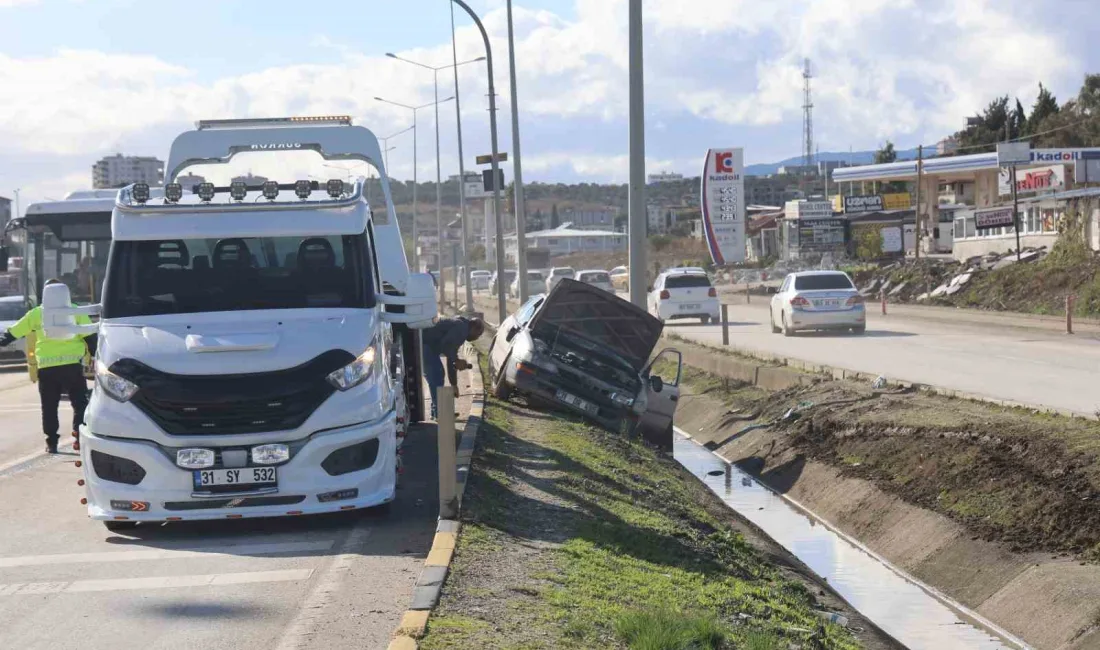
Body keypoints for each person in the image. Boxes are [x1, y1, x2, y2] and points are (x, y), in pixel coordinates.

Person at [0, 279, 96, 453]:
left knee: (49, 406)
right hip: (72, 367)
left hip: (46, 368)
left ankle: (51, 442)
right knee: (80, 403)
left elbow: (11, 334)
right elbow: (90, 336)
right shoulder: (75, 311)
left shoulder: (36, 314)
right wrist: (95, 356)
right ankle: (78, 435)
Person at [421, 316, 484, 419]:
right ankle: (440, 413)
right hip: (426, 345)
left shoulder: (462, 326)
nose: (477, 338)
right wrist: (457, 360)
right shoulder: (461, 329)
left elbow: (451, 357)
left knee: (437, 376)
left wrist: (454, 384)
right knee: (437, 375)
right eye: (478, 334)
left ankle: (437, 412)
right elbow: (447, 346)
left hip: (428, 346)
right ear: (473, 328)